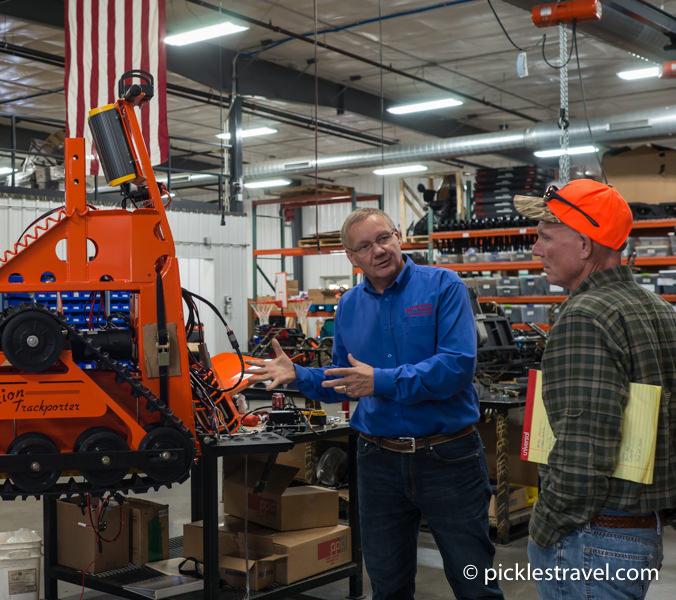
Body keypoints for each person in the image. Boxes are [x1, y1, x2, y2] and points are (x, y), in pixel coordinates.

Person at [247, 207, 503, 599]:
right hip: (378, 462)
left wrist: (379, 381)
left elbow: (456, 368)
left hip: (448, 457)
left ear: (399, 236)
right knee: (387, 585)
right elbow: (343, 383)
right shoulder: (349, 305)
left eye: (383, 238)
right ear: (351, 258)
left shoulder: (443, 286)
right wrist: (299, 376)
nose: (378, 250)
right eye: (364, 246)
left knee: (475, 584)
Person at [514, 179, 676, 599]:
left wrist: (544, 526)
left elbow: (584, 453)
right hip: (639, 529)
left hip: (591, 538)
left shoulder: (585, 315)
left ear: (585, 245)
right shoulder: (658, 309)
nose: (536, 249)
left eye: (545, 236)